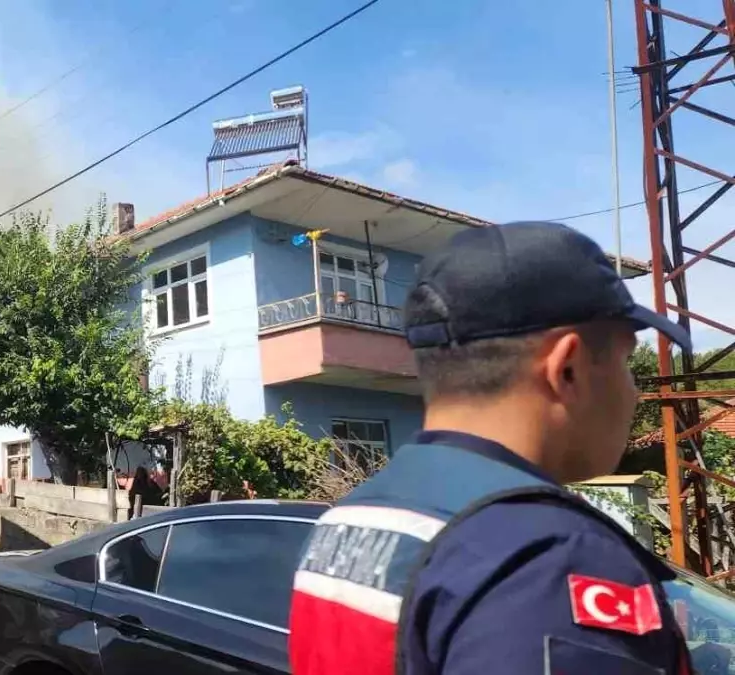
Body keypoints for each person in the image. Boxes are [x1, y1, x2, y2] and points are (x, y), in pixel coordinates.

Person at [287, 221, 722, 674]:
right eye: (626, 360)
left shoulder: (354, 514)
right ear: (567, 368)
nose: (634, 391)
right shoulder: (549, 557)